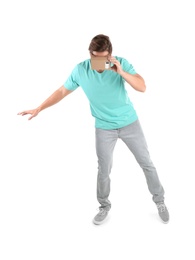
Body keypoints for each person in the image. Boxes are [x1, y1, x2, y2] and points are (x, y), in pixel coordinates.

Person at [18, 34, 169, 225]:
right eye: (95, 58)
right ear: (90, 54)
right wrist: (39, 108)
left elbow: (142, 87)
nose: (99, 63)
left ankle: (160, 201)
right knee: (104, 169)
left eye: (103, 58)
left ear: (110, 55)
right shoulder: (81, 69)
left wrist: (120, 72)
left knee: (146, 163)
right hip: (104, 127)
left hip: (129, 123)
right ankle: (104, 206)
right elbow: (62, 91)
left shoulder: (121, 63)